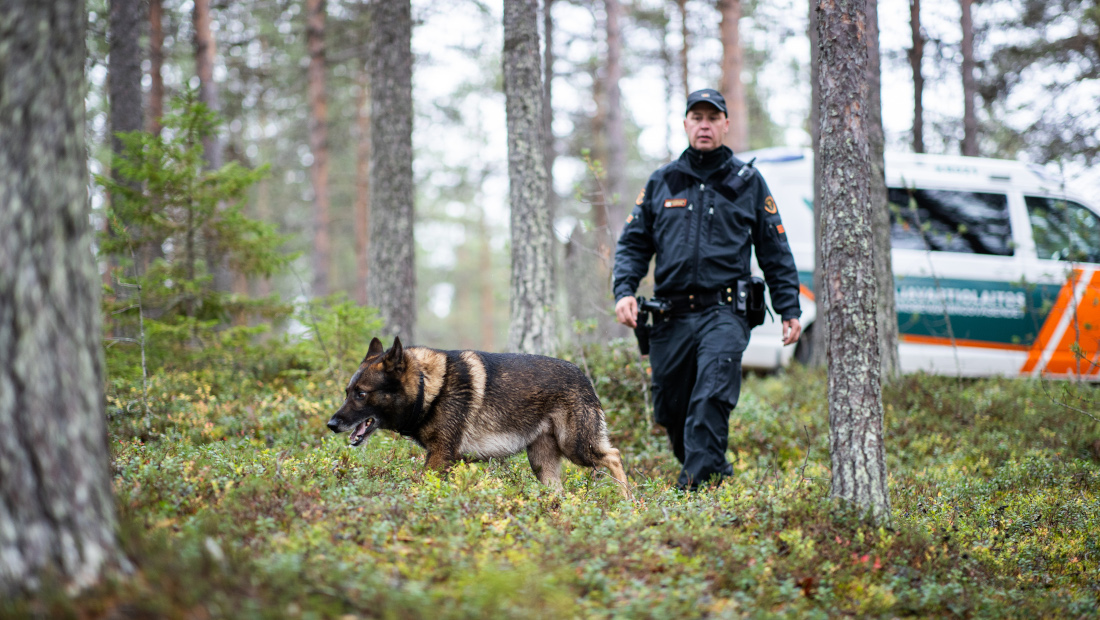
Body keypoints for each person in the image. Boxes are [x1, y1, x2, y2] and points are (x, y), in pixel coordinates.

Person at [612, 88, 802, 490]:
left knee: (709, 398)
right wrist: (624, 290)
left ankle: (690, 494)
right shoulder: (663, 181)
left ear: (725, 125)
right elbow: (633, 243)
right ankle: (715, 472)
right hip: (671, 314)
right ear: (685, 124)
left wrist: (790, 308)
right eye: (696, 117)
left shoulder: (747, 181)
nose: (704, 125)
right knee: (671, 408)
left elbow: (775, 248)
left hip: (725, 311)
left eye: (712, 118)